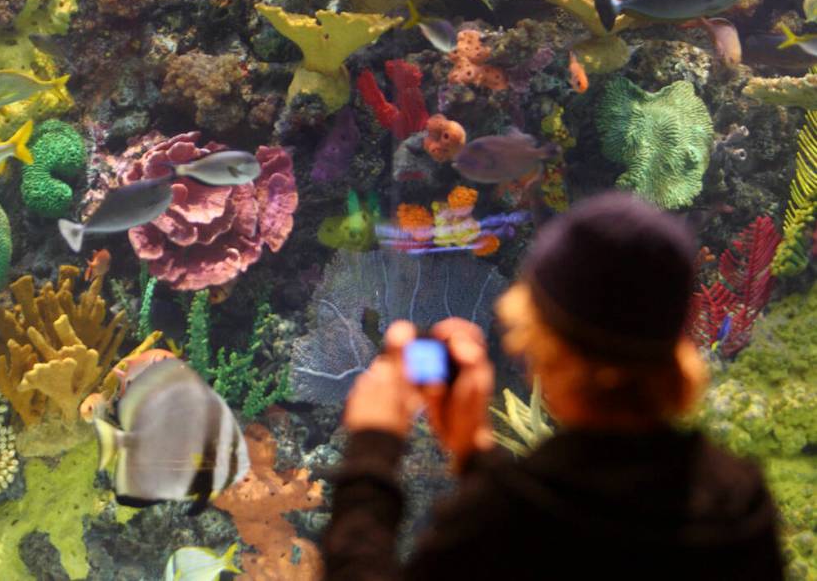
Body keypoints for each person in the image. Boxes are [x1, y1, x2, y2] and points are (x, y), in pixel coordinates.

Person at [323, 192, 783, 580]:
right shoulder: (739, 504)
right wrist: (473, 452)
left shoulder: (499, 523)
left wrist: (372, 448)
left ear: (543, 342)